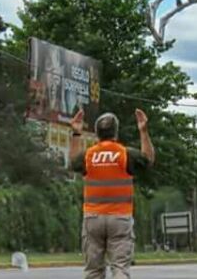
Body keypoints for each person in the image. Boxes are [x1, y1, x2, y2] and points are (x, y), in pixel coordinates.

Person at [69, 108, 154, 279]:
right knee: (120, 267)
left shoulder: (89, 155)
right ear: (116, 132)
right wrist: (143, 131)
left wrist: (76, 134)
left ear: (97, 133)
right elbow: (148, 159)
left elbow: (73, 162)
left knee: (94, 271)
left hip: (93, 218)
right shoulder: (125, 154)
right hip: (120, 218)